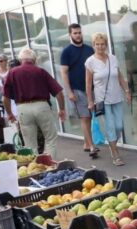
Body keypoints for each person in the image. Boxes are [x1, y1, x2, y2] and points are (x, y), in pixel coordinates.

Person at [2, 47, 65, 158]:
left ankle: (35, 168)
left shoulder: (12, 72)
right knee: (50, 138)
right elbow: (58, 92)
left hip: (22, 108)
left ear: (20, 60)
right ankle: (50, 164)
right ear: (34, 60)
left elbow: (5, 98)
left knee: (30, 144)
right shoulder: (41, 71)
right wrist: (62, 109)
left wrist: (10, 113)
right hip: (41, 106)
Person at [85, 32, 130, 166]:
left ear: (106, 44)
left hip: (116, 97)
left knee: (119, 126)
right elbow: (88, 84)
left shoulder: (113, 58)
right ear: (93, 45)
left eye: (102, 44)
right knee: (110, 126)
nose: (100, 46)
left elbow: (120, 76)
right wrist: (90, 101)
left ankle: (112, 145)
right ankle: (115, 154)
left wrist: (127, 91)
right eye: (97, 44)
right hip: (101, 101)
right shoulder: (90, 62)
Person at [60, 23, 97, 157]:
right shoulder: (66, 52)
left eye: (79, 32)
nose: (78, 35)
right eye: (75, 33)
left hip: (92, 89)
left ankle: (87, 143)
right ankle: (92, 146)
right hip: (77, 90)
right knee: (85, 117)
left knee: (91, 117)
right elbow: (64, 73)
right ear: (70, 35)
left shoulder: (89, 49)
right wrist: (69, 92)